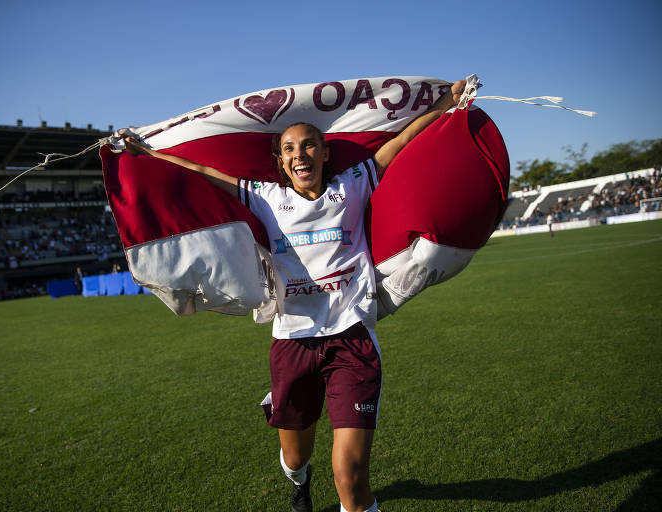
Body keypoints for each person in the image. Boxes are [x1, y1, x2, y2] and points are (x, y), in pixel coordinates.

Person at [123, 79, 466, 512]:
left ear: (324, 153)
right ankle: (300, 482)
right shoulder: (267, 197)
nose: (298, 155)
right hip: (293, 342)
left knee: (351, 477)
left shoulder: (353, 184)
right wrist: (146, 153)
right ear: (281, 161)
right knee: (296, 455)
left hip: (352, 338)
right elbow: (202, 171)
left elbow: (401, 141)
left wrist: (445, 103)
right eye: (288, 149)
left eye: (307, 146)